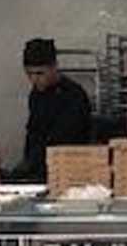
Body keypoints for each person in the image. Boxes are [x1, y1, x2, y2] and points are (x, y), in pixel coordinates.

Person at [11, 37, 93, 181]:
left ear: (54, 67)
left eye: (39, 73)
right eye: (29, 74)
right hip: (40, 167)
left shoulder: (73, 95)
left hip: (67, 167)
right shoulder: (36, 94)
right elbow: (33, 132)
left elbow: (64, 140)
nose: (34, 80)